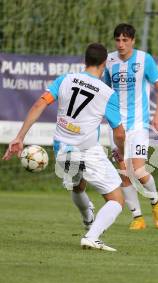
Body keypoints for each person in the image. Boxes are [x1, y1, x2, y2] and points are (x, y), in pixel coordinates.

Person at [2, 43, 126, 251]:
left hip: (62, 150)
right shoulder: (107, 93)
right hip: (87, 151)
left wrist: (19, 137)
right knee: (116, 199)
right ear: (104, 63)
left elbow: (39, 104)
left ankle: (88, 218)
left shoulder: (65, 80)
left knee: (78, 186)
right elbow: (119, 132)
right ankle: (92, 236)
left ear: (85, 60)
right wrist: (120, 151)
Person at [103, 23, 158, 230]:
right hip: (116, 126)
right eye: (118, 40)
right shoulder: (109, 61)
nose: (121, 44)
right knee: (123, 172)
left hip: (138, 124)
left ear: (133, 41)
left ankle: (156, 203)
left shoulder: (144, 59)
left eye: (125, 40)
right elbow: (104, 91)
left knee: (137, 170)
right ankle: (137, 217)